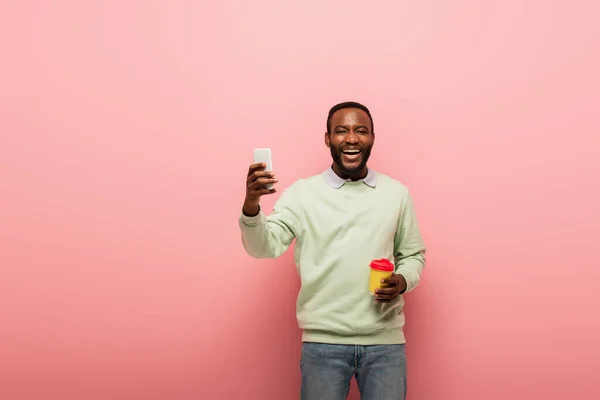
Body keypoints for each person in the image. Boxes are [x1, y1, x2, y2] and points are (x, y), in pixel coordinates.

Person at [238, 101, 426, 400]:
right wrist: (251, 205)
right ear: (328, 138)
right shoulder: (302, 194)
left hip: (385, 346)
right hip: (322, 345)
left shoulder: (396, 194)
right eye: (341, 131)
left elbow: (413, 255)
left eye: (360, 131)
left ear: (372, 138)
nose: (351, 138)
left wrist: (402, 280)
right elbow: (265, 247)